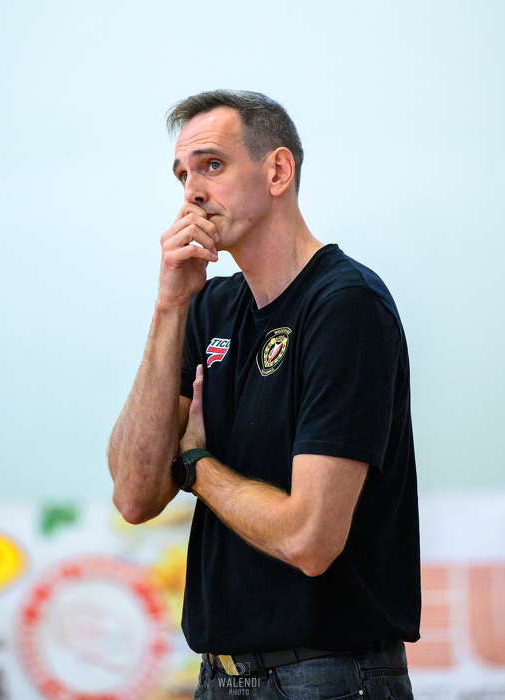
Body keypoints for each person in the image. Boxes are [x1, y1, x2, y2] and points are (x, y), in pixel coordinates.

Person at [108, 90, 420, 699]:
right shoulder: (210, 307)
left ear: (277, 171)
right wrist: (170, 304)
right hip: (221, 674)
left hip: (329, 675)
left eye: (212, 165)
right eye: (182, 175)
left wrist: (196, 466)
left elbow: (310, 540)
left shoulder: (345, 305)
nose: (192, 192)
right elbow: (134, 495)